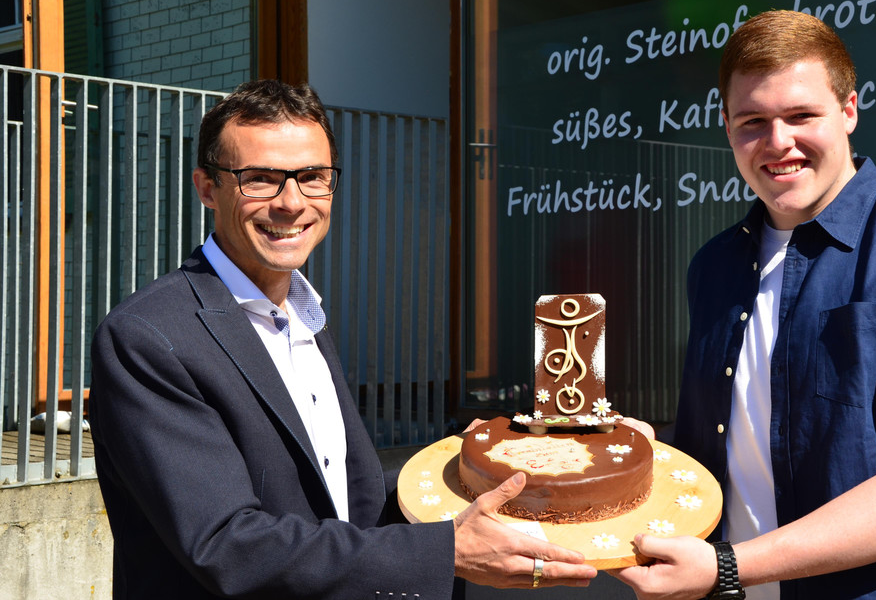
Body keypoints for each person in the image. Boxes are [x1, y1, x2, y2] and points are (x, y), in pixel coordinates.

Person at [89, 80, 597, 598]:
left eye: (312, 177)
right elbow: (227, 547)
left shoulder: (302, 313)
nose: (291, 203)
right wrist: (444, 551)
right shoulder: (149, 338)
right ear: (206, 188)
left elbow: (341, 500)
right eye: (260, 179)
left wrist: (462, 466)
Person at [612, 10, 876, 599]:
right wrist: (639, 455)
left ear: (849, 111)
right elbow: (739, 436)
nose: (778, 142)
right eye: (753, 121)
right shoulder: (715, 265)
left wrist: (728, 566)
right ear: (726, 126)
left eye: (801, 116)